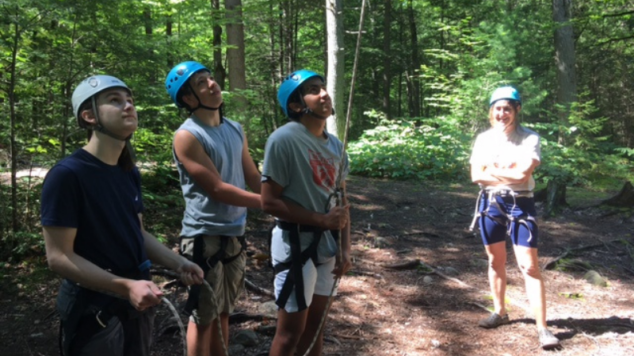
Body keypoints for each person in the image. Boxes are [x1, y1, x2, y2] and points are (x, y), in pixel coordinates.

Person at [41, 75, 204, 356]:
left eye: (130, 100)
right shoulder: (68, 175)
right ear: (89, 116)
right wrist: (124, 286)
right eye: (115, 101)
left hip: (136, 301)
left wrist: (179, 263)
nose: (128, 106)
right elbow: (59, 257)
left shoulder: (127, 171)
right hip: (95, 309)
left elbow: (136, 234)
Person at [165, 61, 261, 356]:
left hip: (234, 233)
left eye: (210, 78)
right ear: (189, 99)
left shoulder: (234, 128)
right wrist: (269, 204)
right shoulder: (187, 136)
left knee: (223, 313)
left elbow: (253, 177)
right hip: (203, 237)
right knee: (203, 317)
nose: (212, 83)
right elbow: (217, 189)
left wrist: (287, 200)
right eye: (201, 83)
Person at [262, 69, 352, 356]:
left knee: (316, 329)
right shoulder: (284, 139)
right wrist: (321, 220)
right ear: (297, 104)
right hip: (294, 244)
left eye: (323, 87)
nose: (324, 93)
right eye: (313, 89)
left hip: (327, 246)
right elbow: (269, 202)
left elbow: (343, 200)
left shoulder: (336, 146)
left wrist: (345, 247)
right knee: (290, 334)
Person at [469, 86, 560, 350]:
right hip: (490, 204)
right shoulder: (483, 139)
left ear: (517, 110)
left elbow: (522, 176)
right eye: (497, 108)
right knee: (495, 260)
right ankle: (500, 312)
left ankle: (542, 327)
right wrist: (504, 171)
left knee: (529, 266)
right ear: (491, 111)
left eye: (507, 108)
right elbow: (476, 176)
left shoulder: (529, 139)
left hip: (521, 204)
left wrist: (492, 170)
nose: (502, 113)